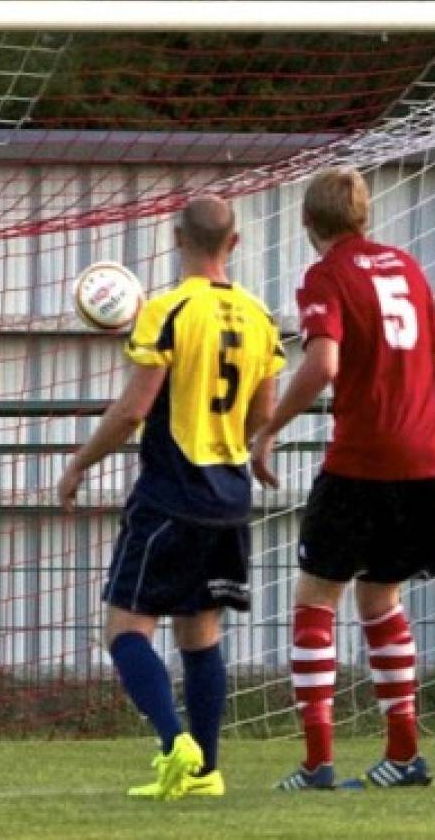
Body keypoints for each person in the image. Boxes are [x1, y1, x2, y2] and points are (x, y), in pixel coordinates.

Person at [58, 195, 284, 800]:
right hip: (230, 498)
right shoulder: (261, 316)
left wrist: (79, 462)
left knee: (126, 630)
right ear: (232, 244)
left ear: (176, 239)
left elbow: (133, 410)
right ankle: (206, 772)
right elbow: (263, 413)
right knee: (201, 635)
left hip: (170, 496)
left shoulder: (165, 310)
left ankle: (173, 741)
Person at [251, 166, 435, 791]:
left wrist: (270, 428)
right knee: (382, 600)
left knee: (315, 599)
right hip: (426, 458)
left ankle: (316, 763)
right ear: (365, 217)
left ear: (310, 224)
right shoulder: (409, 268)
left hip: (363, 459)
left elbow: (323, 360)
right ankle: (403, 755)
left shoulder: (326, 275)